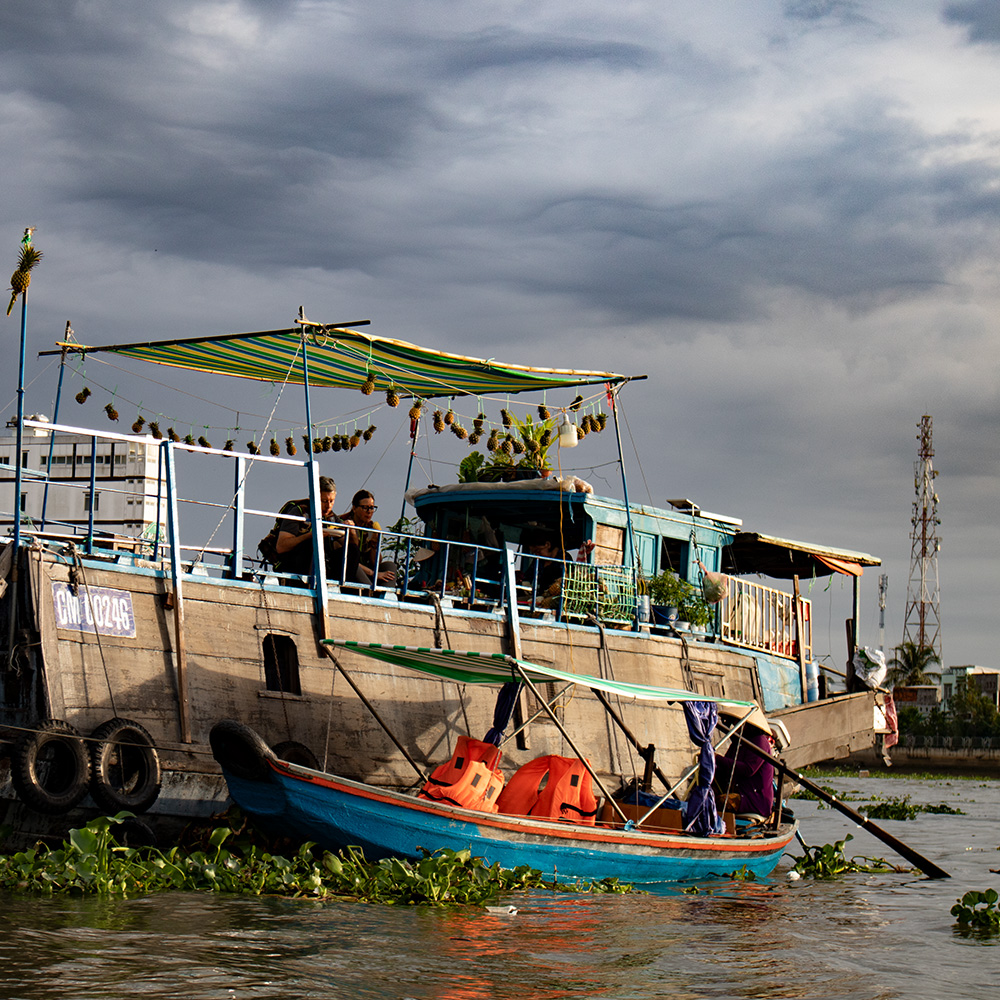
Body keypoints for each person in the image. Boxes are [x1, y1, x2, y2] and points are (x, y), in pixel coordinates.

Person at [273, 476, 361, 583]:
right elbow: (281, 547)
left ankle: (344, 587)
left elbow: (349, 544)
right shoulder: (299, 512)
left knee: (352, 550)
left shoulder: (331, 518)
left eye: (331, 501)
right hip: (295, 562)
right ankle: (308, 584)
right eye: (324, 501)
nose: (328, 506)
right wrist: (310, 535)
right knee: (312, 542)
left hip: (323, 564)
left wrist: (351, 532)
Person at [714, 725, 775, 820]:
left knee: (719, 802)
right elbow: (724, 767)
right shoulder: (738, 743)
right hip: (740, 794)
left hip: (754, 800)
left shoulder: (759, 741)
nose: (735, 727)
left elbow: (749, 769)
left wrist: (717, 758)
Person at [340, 489, 395, 586]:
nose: (369, 512)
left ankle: (385, 596)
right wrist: (373, 573)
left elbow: (375, 562)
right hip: (349, 567)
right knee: (355, 567)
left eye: (372, 508)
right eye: (365, 508)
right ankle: (369, 594)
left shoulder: (370, 527)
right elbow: (348, 558)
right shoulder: (344, 523)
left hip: (367, 567)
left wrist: (374, 544)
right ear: (354, 508)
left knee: (390, 566)